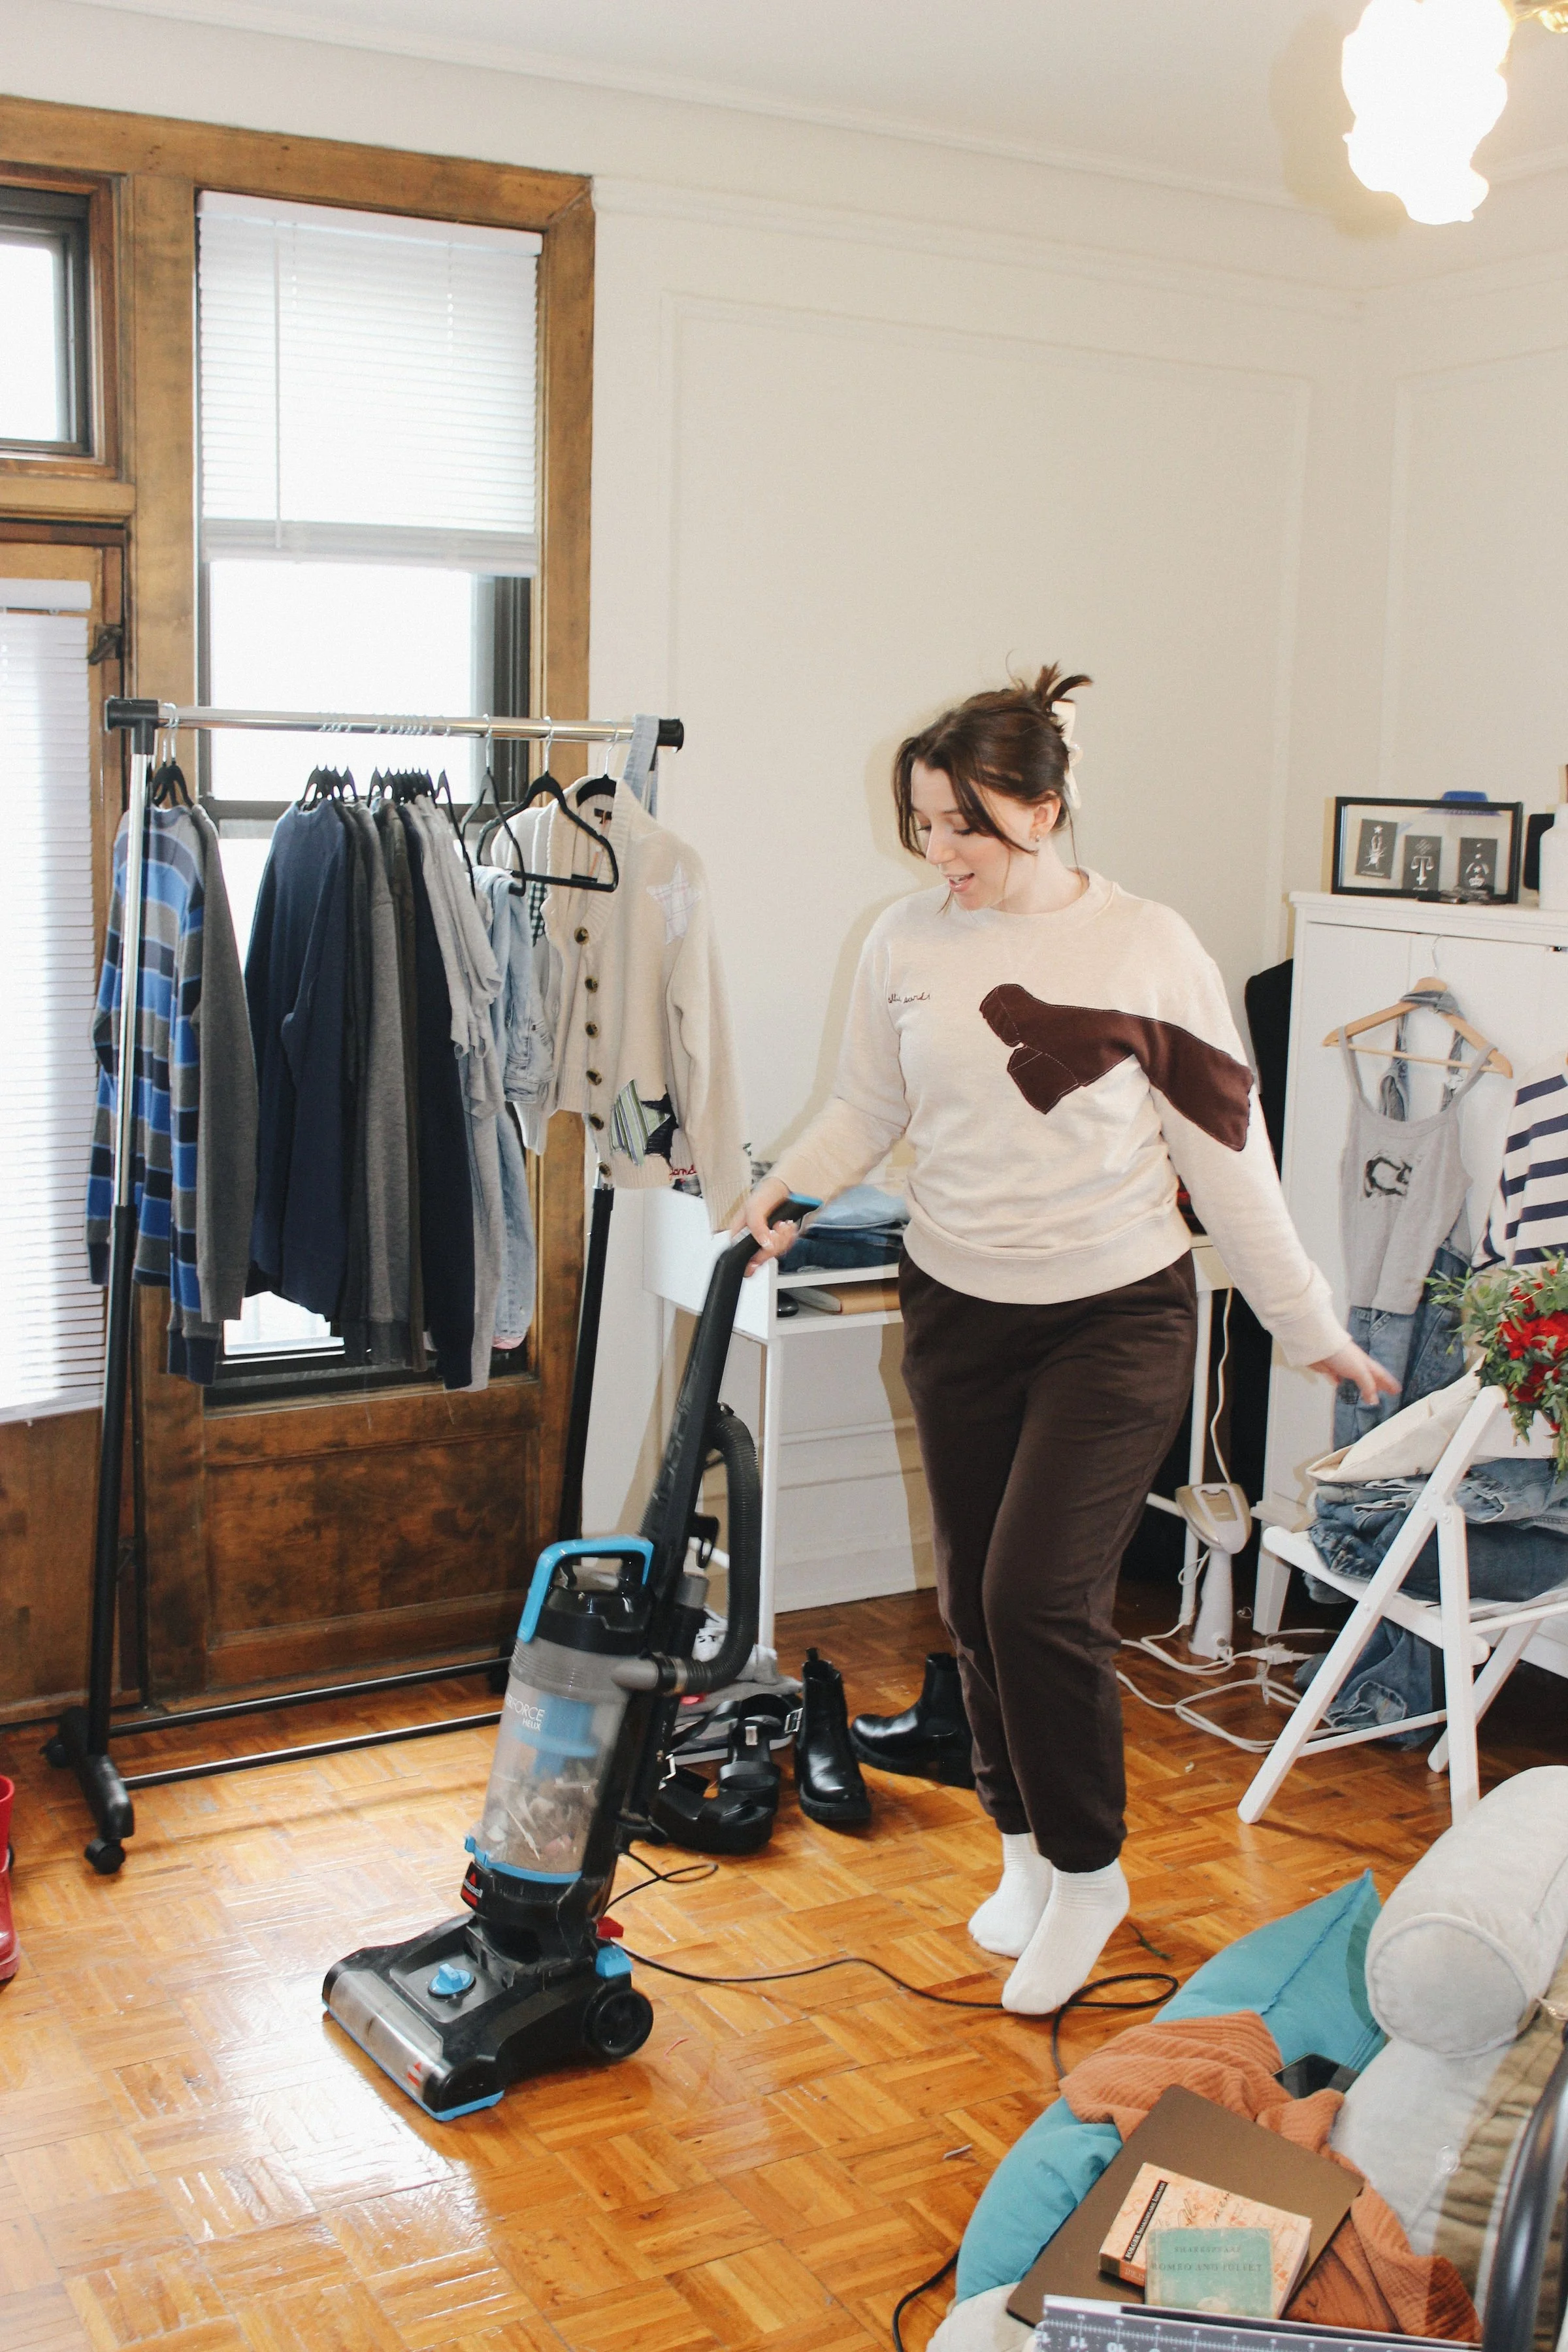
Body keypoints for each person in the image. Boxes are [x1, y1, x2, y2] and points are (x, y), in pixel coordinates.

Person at [733, 666, 1396, 2016]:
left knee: (1038, 1595)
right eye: (922, 824)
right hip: (956, 1311)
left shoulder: (1150, 948)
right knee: (976, 1598)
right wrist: (786, 1185)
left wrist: (1304, 1322)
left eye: (964, 825)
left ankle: (1092, 1875)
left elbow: (1229, 1155)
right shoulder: (904, 941)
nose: (939, 854)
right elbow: (868, 1106)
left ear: (1045, 807)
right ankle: (1025, 1849)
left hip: (1116, 1317)